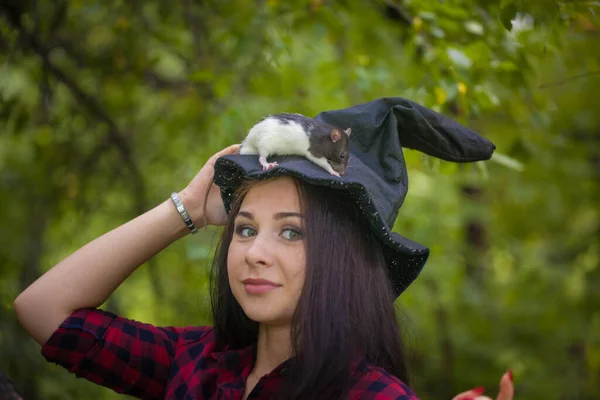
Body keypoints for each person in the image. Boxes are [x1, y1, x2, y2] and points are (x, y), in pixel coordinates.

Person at [14, 98, 514, 399]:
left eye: (292, 232)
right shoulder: (193, 365)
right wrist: (186, 207)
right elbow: (41, 309)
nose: (254, 252)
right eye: (246, 229)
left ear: (343, 260)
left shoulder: (370, 394)